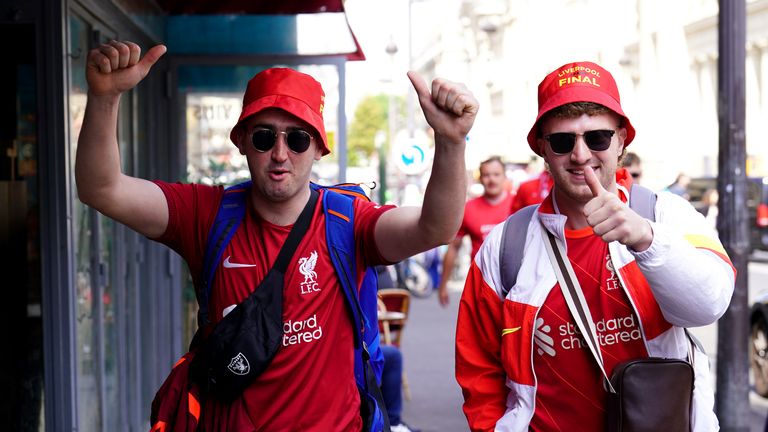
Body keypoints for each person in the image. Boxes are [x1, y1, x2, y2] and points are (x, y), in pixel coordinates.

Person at [76, 40, 478, 431]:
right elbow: (103, 189)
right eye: (265, 137)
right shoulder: (207, 214)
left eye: (298, 138)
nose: (281, 153)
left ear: (319, 148)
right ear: (241, 142)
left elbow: (435, 227)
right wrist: (105, 98)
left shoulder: (347, 221)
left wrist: (450, 143)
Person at [455, 60, 735, 431]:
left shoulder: (665, 214)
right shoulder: (506, 245)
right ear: (542, 147)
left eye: (597, 138)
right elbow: (478, 371)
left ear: (621, 140)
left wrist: (645, 240)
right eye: (562, 140)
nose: (581, 155)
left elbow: (708, 305)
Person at [436, 156, 514, 306]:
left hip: (514, 284)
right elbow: (453, 248)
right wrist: (443, 284)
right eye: (486, 175)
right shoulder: (468, 209)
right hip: (481, 284)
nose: (491, 180)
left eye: (496, 174)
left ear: (504, 176)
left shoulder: (518, 204)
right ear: (480, 178)